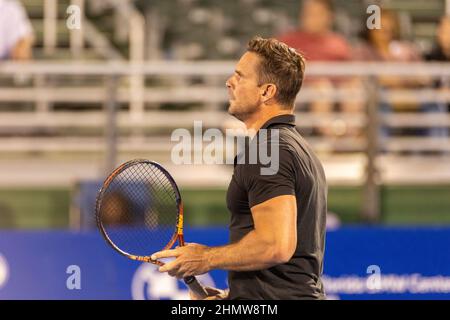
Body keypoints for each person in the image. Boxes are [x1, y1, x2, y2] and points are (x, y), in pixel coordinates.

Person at [151, 37, 327, 300]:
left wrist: (205, 259)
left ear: (266, 91)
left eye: (240, 77)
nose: (229, 82)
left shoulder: (268, 150)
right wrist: (231, 297)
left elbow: (276, 245)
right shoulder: (296, 148)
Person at [277, 0, 362, 139]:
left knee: (352, 89)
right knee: (322, 88)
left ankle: (349, 139)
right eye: (307, 13)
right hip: (300, 90)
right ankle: (328, 138)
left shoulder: (338, 43)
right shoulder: (288, 40)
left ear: (329, 17)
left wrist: (351, 82)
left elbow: (350, 71)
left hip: (336, 89)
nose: (310, 17)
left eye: (317, 13)